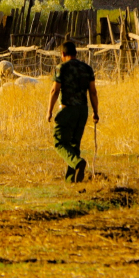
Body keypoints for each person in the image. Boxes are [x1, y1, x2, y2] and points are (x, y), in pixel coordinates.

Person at [46, 40, 99, 183]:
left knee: (60, 143)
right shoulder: (87, 68)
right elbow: (93, 92)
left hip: (67, 109)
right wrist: (95, 112)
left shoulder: (61, 68)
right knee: (74, 144)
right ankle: (71, 180)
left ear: (63, 54)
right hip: (83, 111)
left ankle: (77, 163)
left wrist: (49, 111)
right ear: (76, 53)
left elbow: (54, 91)